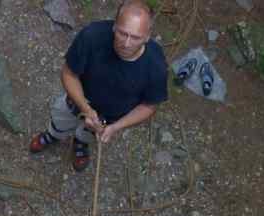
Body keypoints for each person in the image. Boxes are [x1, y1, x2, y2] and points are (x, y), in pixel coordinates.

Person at [29, 1, 168, 171]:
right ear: (114, 27)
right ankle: (53, 135)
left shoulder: (156, 66)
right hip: (76, 101)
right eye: (122, 33)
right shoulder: (92, 36)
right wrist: (85, 109)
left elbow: (149, 105)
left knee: (88, 134)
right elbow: (69, 74)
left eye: (136, 37)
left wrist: (116, 127)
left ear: (147, 36)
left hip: (107, 118)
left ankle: (81, 143)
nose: (126, 43)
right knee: (60, 120)